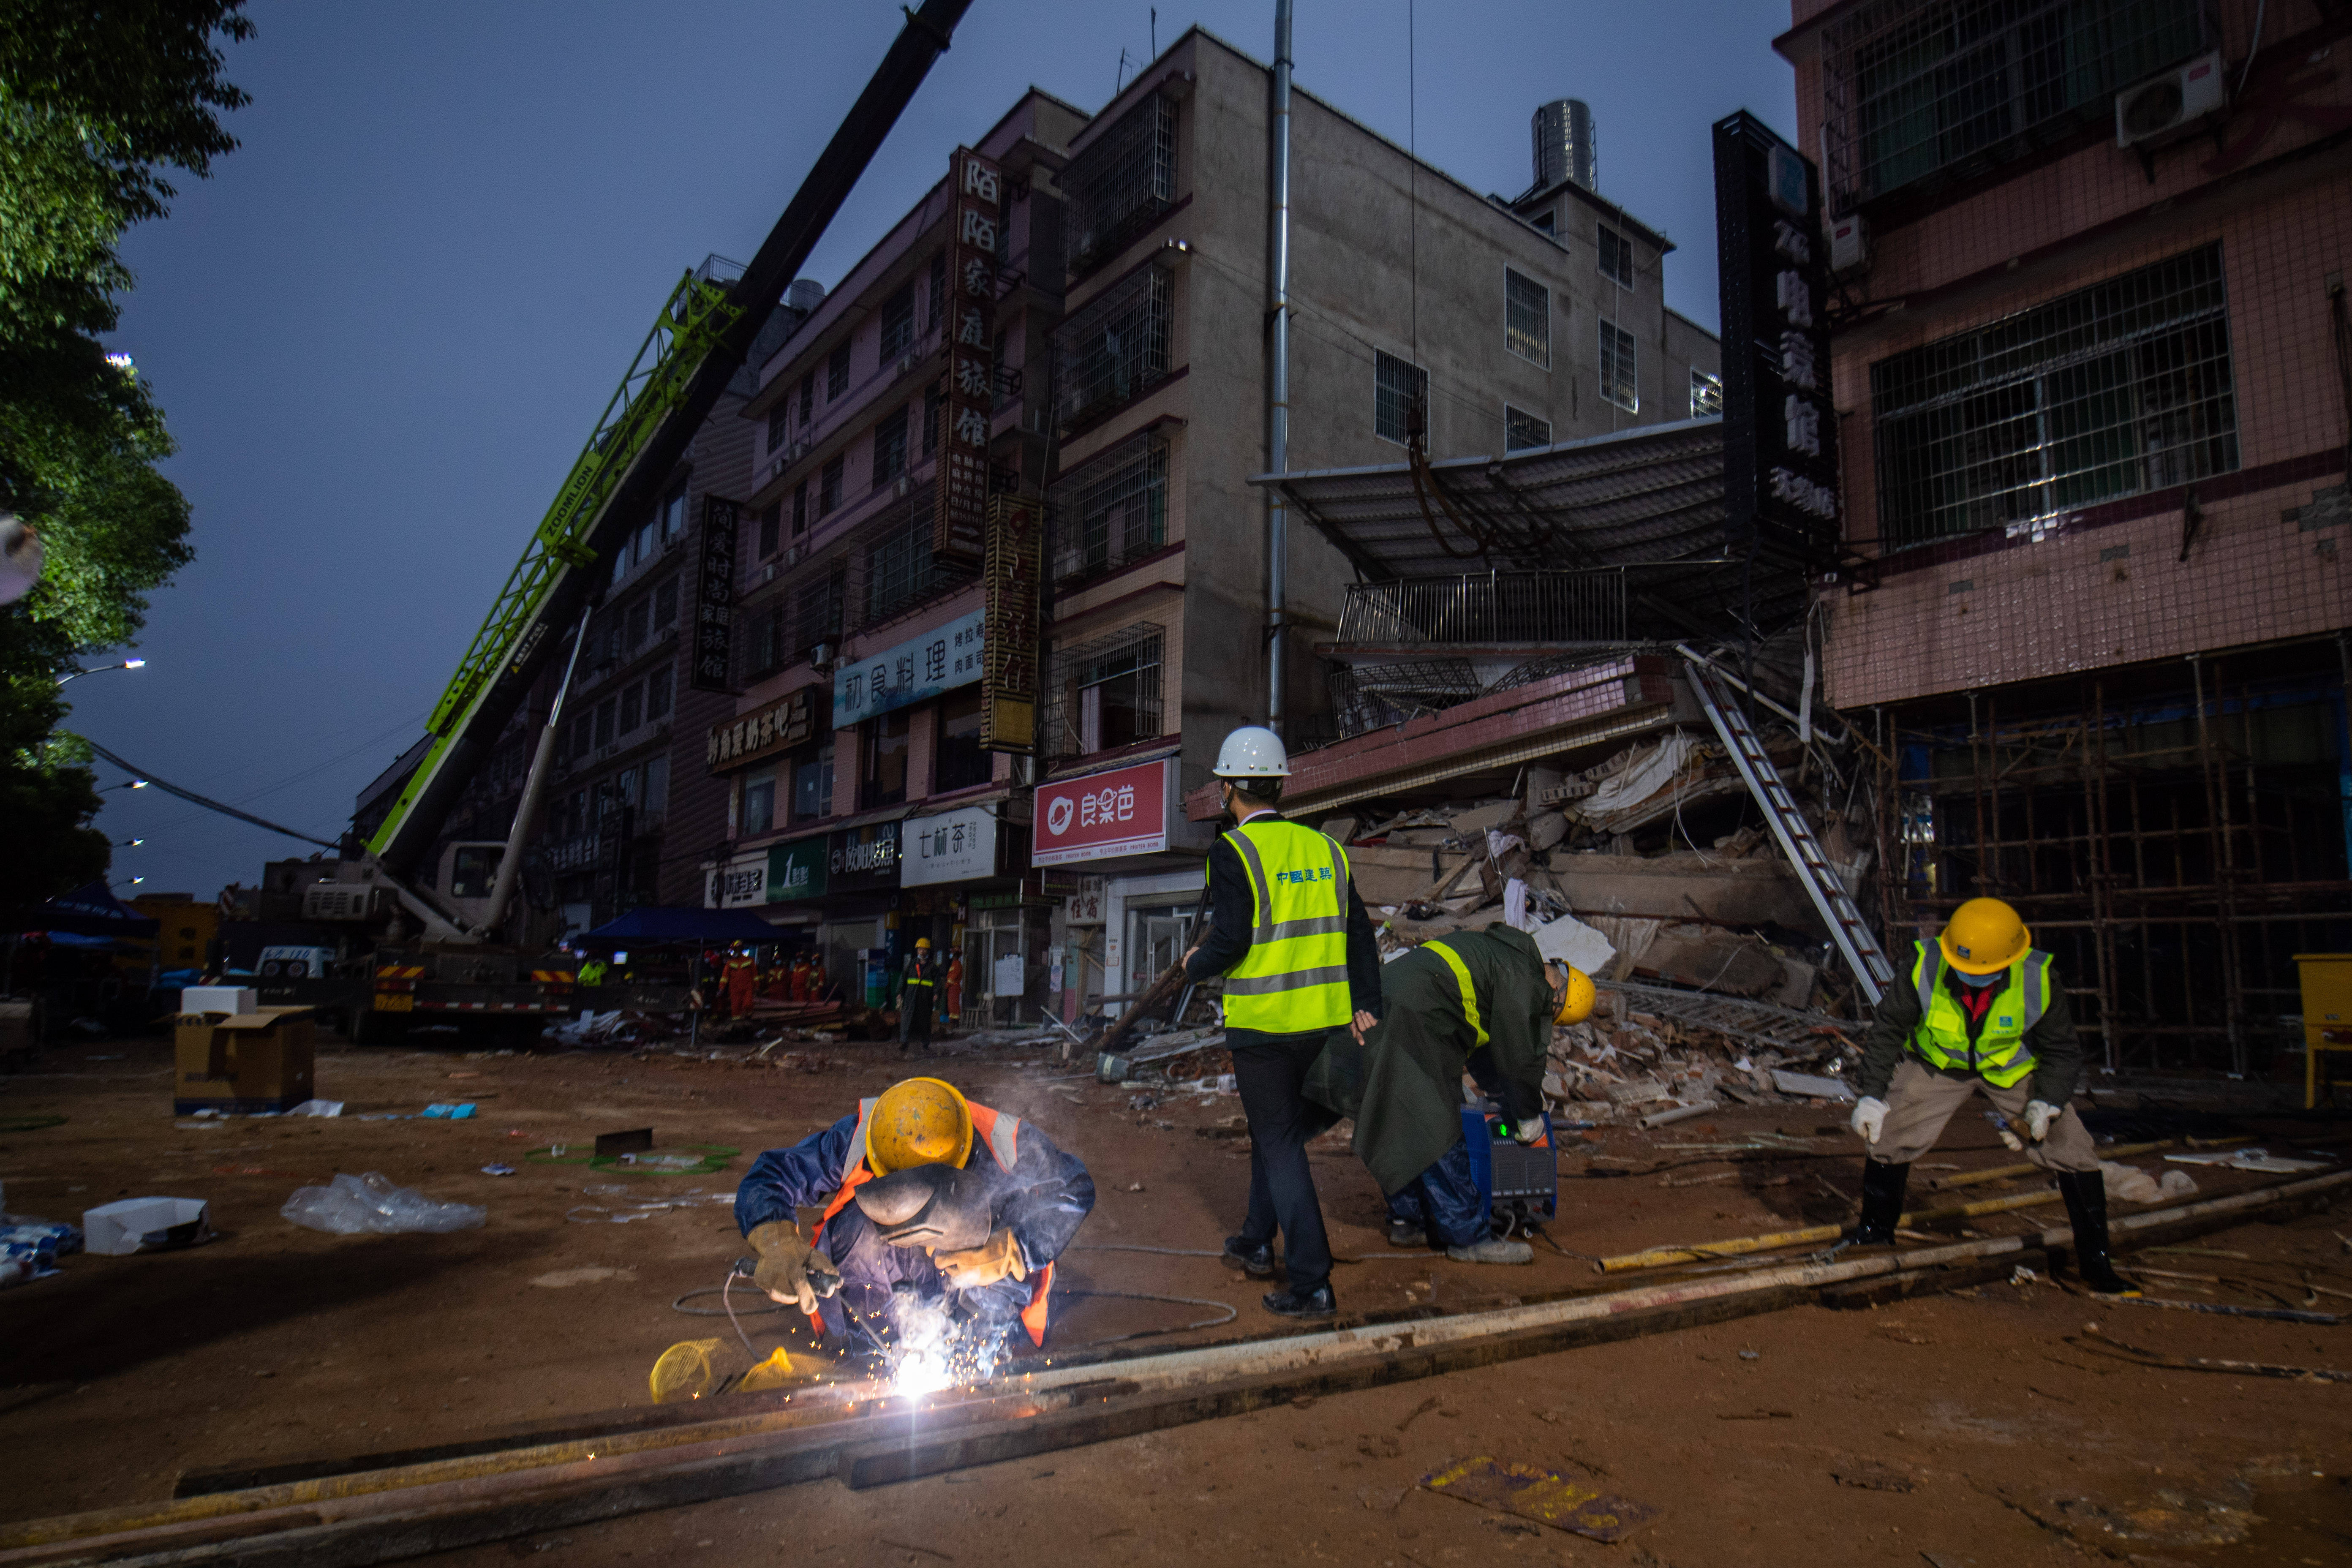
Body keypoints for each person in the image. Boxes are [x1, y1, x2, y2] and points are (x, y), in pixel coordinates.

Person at [1182, 725, 1382, 1320]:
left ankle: (1312, 1281)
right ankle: (1252, 1240)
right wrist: (1367, 1001)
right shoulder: (1327, 849)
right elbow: (1360, 934)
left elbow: (1232, 939)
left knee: (1280, 1143)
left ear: (1227, 792)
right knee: (1275, 1137)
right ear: (1279, 786)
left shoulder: (1231, 851)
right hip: (1322, 1028)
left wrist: (1196, 965)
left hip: (1265, 1030)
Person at [1846, 896, 2138, 1296]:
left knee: (2073, 1150)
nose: (1972, 977)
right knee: (1889, 1136)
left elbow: (2061, 1052)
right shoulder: (1922, 966)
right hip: (1939, 1066)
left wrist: (2046, 1102)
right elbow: (1886, 1032)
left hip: (2009, 1069)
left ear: (2010, 960)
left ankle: (2096, 1263)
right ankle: (1875, 1232)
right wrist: (1872, 1097)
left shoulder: (2038, 977)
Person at [734, 1076, 1095, 1357]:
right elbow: (773, 1174)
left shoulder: (1003, 1139)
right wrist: (778, 1241)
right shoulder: (868, 1133)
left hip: (971, 1272)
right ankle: (870, 1341)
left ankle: (976, 1346)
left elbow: (1074, 1186)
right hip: (876, 1266)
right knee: (859, 1229)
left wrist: (1016, 1247)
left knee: (981, 1235)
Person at [1310, 926, 1592, 1264]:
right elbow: (1520, 1057)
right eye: (1551, 1015)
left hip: (1385, 1008)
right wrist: (1529, 1114)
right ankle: (1468, 1237)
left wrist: (1503, 1094)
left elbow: (1485, 1043)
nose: (1544, 1016)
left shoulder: (1505, 957)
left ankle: (1407, 1220)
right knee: (1438, 1127)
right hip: (1410, 1021)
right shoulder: (1525, 982)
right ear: (1558, 994)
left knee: (1398, 1115)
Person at [900, 937, 938, 1052]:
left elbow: (937, 982)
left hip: (925, 999)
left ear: (928, 951)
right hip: (911, 997)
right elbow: (903, 979)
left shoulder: (932, 967)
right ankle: (904, 1042)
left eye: (925, 950)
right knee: (906, 1020)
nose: (922, 952)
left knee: (925, 1022)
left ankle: (925, 1044)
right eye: (921, 949)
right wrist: (899, 993)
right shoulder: (911, 965)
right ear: (917, 951)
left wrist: (936, 993)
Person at [722, 943, 757, 1019]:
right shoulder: (730, 963)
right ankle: (737, 1025)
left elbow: (755, 976)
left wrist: (757, 986)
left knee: (748, 1005)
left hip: (747, 989)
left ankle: (748, 1020)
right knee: (736, 1008)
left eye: (739, 949)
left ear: (742, 949)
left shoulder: (750, 961)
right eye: (736, 949)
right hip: (735, 990)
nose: (737, 951)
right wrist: (721, 988)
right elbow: (725, 977)